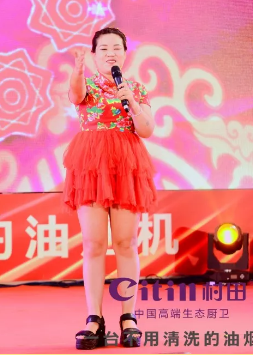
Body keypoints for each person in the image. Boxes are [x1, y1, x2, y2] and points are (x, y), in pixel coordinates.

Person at [64, 27, 157, 349]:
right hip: (91, 166)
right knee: (93, 244)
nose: (110, 53)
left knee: (125, 242)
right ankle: (94, 319)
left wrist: (131, 101)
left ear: (125, 53)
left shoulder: (136, 88)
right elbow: (76, 95)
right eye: (103, 49)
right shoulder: (86, 84)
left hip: (126, 166)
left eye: (116, 48)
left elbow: (147, 129)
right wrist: (78, 70)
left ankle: (129, 318)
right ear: (93, 55)